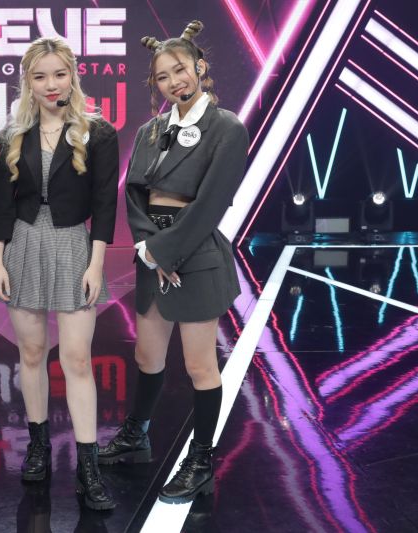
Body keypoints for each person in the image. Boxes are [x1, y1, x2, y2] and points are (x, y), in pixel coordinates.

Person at [98, 21, 249, 504]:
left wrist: (165, 250)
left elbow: (211, 203)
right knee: (147, 357)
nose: (173, 82)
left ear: (199, 67)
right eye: (162, 77)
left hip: (195, 252)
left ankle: (201, 461)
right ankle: (136, 435)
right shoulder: (151, 130)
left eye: (180, 70)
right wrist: (148, 248)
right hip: (152, 252)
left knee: (200, 366)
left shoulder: (226, 127)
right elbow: (134, 192)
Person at [0, 37, 119, 510]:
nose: (50, 85)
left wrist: (96, 263)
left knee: (78, 359)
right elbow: (1, 206)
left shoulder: (97, 132)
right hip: (22, 244)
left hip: (73, 246)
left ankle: (88, 466)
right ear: (27, 80)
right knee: (31, 352)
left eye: (59, 74)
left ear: (73, 76)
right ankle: (38, 445)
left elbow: (105, 204)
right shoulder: (11, 135)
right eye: (40, 76)